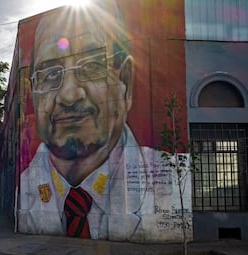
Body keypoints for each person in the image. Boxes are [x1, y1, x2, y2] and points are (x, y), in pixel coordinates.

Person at [19, 1, 191, 242]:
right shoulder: (23, 187)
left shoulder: (169, 178)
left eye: (92, 66)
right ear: (33, 93)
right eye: (50, 74)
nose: (69, 95)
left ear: (126, 83)